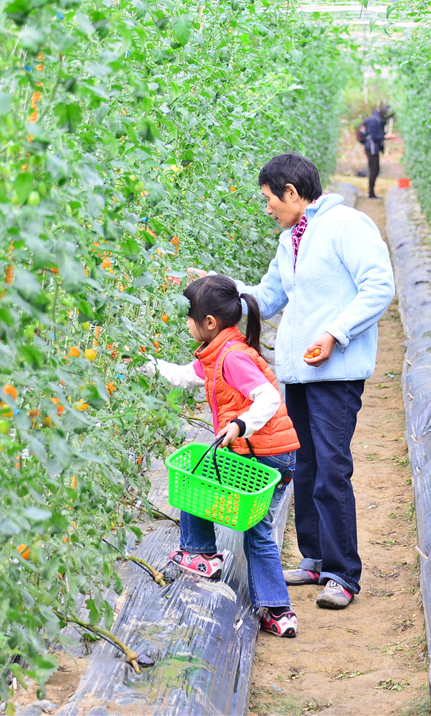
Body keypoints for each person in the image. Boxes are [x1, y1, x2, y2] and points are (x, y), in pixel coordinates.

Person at [192, 153, 395, 609]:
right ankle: (314, 558)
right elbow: (266, 298)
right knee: (304, 467)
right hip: (299, 372)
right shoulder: (291, 240)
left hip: (335, 372)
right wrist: (216, 288)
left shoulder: (347, 226)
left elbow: (379, 286)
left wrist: (334, 334)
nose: (267, 208)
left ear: (291, 192)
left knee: (331, 469)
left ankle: (343, 573)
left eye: (269, 199)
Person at [147, 274, 301, 637]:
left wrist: (240, 425)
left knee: (256, 529)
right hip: (264, 451)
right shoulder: (218, 351)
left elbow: (268, 398)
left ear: (210, 323)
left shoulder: (232, 358)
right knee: (198, 480)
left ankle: (275, 608)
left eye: (189, 317)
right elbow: (187, 376)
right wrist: (145, 364)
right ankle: (204, 555)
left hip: (267, 455)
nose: (186, 323)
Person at [357, 104, 393, 199]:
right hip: (371, 148)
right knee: (374, 169)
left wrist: (385, 136)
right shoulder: (374, 121)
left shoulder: (377, 120)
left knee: (375, 169)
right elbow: (373, 136)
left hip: (373, 148)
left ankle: (371, 192)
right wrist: (385, 137)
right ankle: (371, 193)